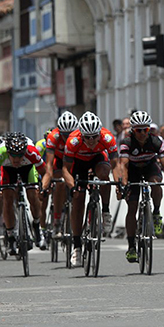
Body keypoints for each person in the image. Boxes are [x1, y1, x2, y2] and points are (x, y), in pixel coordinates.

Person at [62, 111, 119, 267]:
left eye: (95, 136)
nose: (92, 140)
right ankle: (77, 247)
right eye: (88, 137)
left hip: (98, 160)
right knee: (78, 199)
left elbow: (115, 164)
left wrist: (120, 183)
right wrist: (72, 187)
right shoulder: (73, 141)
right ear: (82, 135)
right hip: (78, 164)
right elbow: (65, 169)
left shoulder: (107, 137)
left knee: (104, 176)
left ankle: (105, 211)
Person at [118, 111, 164, 263]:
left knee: (156, 184)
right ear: (132, 130)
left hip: (150, 167)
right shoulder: (127, 143)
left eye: (146, 130)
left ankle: (156, 212)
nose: (142, 133)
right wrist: (124, 185)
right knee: (132, 208)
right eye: (138, 130)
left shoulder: (156, 141)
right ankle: (131, 247)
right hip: (133, 171)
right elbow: (123, 166)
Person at [0, 132, 47, 254]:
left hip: (28, 168)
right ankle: (10, 237)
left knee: (33, 196)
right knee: (7, 199)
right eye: (13, 155)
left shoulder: (31, 152)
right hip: (8, 170)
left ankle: (37, 226)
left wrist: (44, 188)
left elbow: (44, 172)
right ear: (7, 151)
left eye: (20, 155)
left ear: (24, 152)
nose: (16, 159)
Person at [41, 112, 79, 239]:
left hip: (74, 161)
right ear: (59, 132)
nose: (68, 137)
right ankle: (57, 220)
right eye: (64, 135)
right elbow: (49, 165)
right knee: (60, 184)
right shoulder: (53, 137)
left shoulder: (80, 136)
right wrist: (46, 183)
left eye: (70, 134)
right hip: (59, 161)